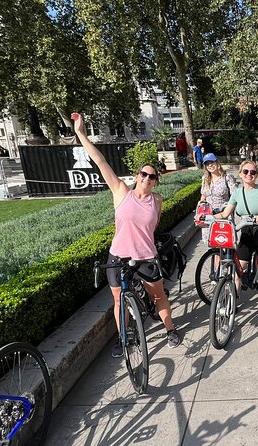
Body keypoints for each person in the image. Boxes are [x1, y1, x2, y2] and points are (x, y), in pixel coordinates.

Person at [71, 112, 180, 355]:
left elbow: (151, 229)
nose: (147, 179)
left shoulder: (158, 200)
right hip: (118, 256)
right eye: (144, 174)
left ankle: (170, 329)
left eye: (152, 177)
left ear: (156, 182)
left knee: (158, 296)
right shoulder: (121, 191)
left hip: (146, 256)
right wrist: (80, 133)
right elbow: (100, 161)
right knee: (119, 300)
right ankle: (124, 338)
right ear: (137, 176)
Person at [214, 161, 258, 318]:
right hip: (245, 231)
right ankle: (234, 300)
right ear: (241, 174)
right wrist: (208, 217)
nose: (249, 174)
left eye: (253, 172)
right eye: (246, 171)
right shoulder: (236, 193)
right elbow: (225, 213)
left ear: (256, 174)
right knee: (238, 269)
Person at [199, 153, 237, 243]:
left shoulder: (227, 178)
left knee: (224, 244)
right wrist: (200, 210)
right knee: (213, 245)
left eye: (212, 162)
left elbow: (235, 196)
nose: (210, 165)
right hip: (209, 216)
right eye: (207, 164)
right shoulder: (205, 179)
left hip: (223, 215)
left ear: (217, 163)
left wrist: (229, 210)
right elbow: (203, 196)